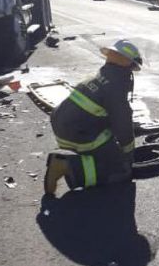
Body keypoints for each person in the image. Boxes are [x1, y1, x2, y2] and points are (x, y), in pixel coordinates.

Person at [45, 40, 143, 194]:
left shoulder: (100, 76)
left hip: (62, 123)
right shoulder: (116, 86)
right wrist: (128, 151)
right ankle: (68, 168)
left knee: (109, 146)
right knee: (120, 171)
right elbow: (122, 122)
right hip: (77, 133)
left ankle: (75, 162)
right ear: (129, 65)